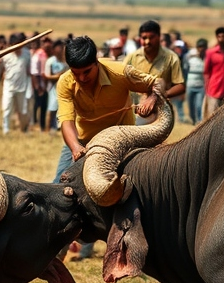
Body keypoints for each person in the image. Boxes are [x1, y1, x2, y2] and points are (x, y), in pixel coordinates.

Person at [54, 35, 161, 260]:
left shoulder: (120, 72)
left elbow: (156, 83)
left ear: (97, 62)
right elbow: (66, 121)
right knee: (59, 195)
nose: (81, 78)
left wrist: (151, 98)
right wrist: (75, 148)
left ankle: (132, 256)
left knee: (126, 198)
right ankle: (54, 258)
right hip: (82, 143)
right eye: (76, 73)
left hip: (122, 145)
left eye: (87, 72)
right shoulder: (65, 82)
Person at [123, 20, 185, 124]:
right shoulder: (132, 57)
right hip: (136, 110)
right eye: (144, 38)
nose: (147, 42)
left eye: (151, 37)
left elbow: (180, 86)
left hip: (160, 112)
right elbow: (120, 77)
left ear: (159, 37)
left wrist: (161, 95)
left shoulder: (171, 57)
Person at [0, 33, 30, 135]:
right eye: (16, 44)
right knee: (7, 108)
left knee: (23, 110)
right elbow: (2, 70)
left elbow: (28, 70)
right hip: (9, 86)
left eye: (20, 44)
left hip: (22, 86)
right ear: (12, 45)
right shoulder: (6, 55)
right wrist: (1, 83)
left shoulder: (26, 53)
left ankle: (23, 128)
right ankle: (6, 129)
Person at [44, 39, 68, 133]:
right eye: (58, 50)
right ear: (54, 51)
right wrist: (58, 76)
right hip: (53, 89)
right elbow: (46, 76)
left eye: (61, 50)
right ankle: (48, 128)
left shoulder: (66, 61)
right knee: (52, 109)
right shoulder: (50, 61)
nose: (60, 52)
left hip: (64, 88)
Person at [183, 38, 207, 125]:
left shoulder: (207, 59)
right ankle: (193, 120)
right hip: (190, 85)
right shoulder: (190, 57)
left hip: (201, 86)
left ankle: (199, 122)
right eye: (200, 47)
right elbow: (185, 70)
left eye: (203, 47)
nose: (201, 49)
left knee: (199, 105)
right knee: (190, 106)